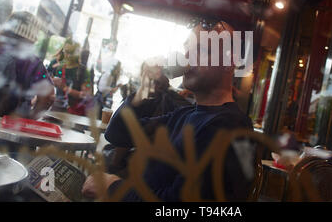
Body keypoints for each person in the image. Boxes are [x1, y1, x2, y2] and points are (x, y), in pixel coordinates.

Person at [82, 18, 255, 201]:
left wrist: (114, 187)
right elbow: (118, 133)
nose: (188, 55)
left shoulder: (229, 127)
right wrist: (144, 91)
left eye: (202, 49)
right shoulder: (185, 115)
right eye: (188, 48)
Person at [0, 11, 54, 118]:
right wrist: (30, 118)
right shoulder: (32, 63)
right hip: (8, 128)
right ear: (32, 36)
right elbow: (48, 96)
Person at [47, 38, 93, 116]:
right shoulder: (59, 67)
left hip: (74, 114)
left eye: (71, 53)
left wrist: (65, 88)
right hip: (56, 110)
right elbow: (44, 77)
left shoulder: (83, 71)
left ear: (77, 53)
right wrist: (51, 80)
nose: (68, 56)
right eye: (66, 52)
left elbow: (86, 94)